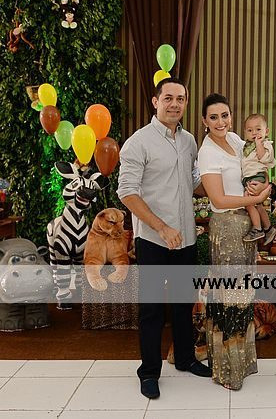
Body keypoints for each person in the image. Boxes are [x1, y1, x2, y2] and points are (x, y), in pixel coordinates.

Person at [117, 77, 211, 400]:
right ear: (155, 102)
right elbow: (127, 192)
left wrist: (229, 185)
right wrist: (161, 227)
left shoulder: (189, 141)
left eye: (180, 98)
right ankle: (149, 372)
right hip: (154, 240)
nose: (175, 104)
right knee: (153, 310)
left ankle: (185, 358)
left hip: (186, 239)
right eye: (168, 98)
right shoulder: (138, 142)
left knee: (184, 304)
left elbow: (195, 182)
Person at [197, 93, 271, 390]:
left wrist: (265, 186)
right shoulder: (207, 152)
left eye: (225, 115)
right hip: (227, 227)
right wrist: (256, 198)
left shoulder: (237, 141)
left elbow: (258, 165)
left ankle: (242, 362)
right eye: (213, 117)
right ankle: (227, 370)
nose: (220, 122)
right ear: (204, 121)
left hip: (246, 225)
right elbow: (217, 199)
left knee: (243, 296)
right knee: (229, 298)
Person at [241, 113, 276, 244]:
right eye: (250, 130)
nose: (254, 133)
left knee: (248, 202)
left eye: (258, 129)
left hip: (257, 176)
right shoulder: (246, 146)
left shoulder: (265, 144)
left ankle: (257, 228)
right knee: (258, 205)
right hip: (249, 177)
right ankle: (268, 228)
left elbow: (263, 158)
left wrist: (258, 143)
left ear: (266, 131)